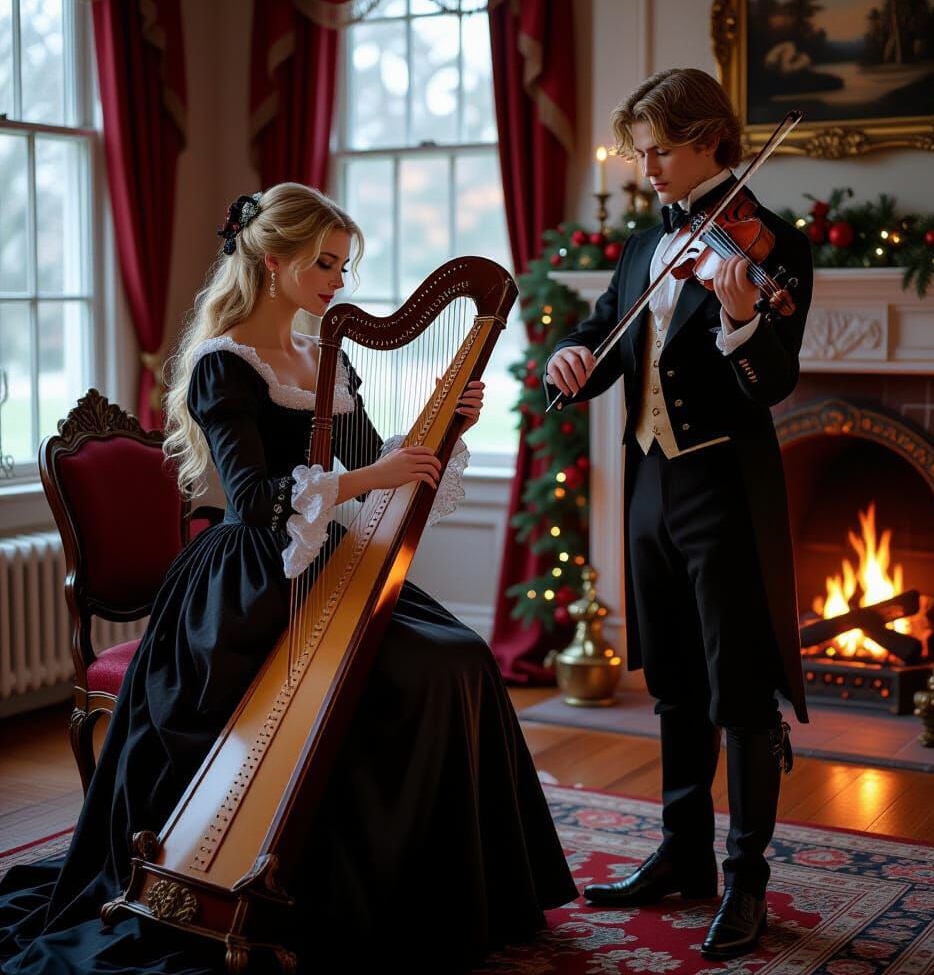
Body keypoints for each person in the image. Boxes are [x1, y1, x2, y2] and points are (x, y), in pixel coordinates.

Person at [0, 182, 577, 974]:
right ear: (274, 262)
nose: (339, 283)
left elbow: (383, 464)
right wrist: (368, 475)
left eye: (343, 265)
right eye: (325, 264)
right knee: (413, 676)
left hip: (326, 568)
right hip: (246, 582)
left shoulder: (324, 359)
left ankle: (444, 895)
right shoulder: (222, 364)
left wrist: (450, 426)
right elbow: (257, 499)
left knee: (461, 656)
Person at [545, 69, 811, 960]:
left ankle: (746, 879)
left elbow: (772, 381)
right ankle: (684, 852)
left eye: (659, 149)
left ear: (709, 139)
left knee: (738, 688)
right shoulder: (640, 245)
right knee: (671, 681)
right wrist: (573, 358)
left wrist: (743, 315)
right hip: (651, 483)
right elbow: (604, 329)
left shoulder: (773, 246)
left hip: (725, 488)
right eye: (640, 150)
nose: (646, 166)